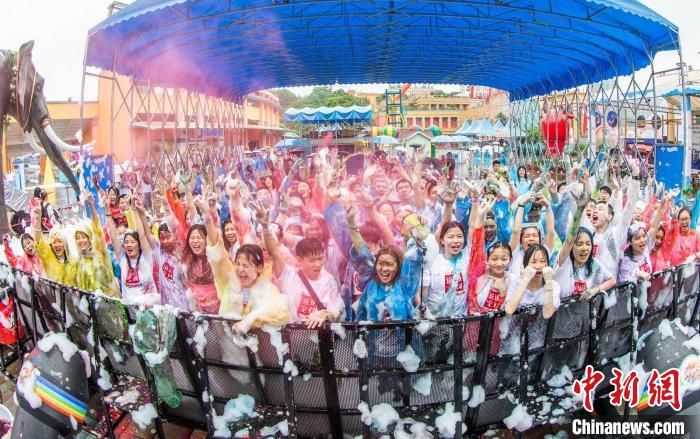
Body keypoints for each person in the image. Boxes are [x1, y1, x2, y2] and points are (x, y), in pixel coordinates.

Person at [257, 202, 343, 328]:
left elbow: (336, 307)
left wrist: (325, 314)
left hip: (319, 341)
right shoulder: (288, 275)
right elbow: (274, 252)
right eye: (312, 260)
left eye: (320, 259)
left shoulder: (329, 281)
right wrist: (265, 227)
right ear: (299, 259)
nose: (318, 264)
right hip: (292, 339)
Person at [505, 245, 560, 318]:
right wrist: (525, 280)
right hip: (515, 328)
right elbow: (509, 310)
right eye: (533, 262)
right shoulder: (516, 282)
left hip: (540, 329)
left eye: (542, 261)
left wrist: (548, 282)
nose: (538, 266)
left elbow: (547, 314)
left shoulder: (554, 285)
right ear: (525, 265)